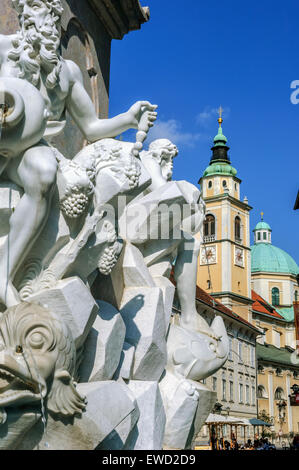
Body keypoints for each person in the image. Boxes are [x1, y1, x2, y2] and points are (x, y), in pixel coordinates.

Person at [0, 0, 157, 307]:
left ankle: (3, 274)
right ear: (23, 16)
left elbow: (91, 127)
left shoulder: (68, 73)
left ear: (57, 24)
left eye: (49, 17)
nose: (42, 24)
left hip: (32, 150)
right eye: (35, 15)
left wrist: (128, 117)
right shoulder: (4, 49)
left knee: (44, 171)